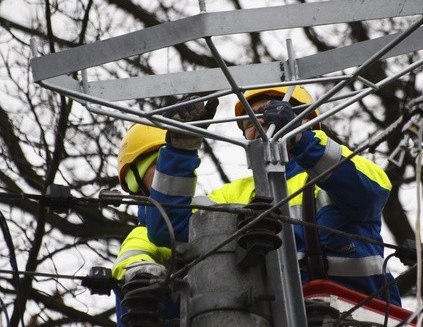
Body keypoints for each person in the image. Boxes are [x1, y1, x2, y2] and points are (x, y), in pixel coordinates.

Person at [144, 85, 401, 306]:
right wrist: (180, 149)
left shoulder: (340, 169)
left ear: (308, 120)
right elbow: (167, 229)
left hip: (361, 315)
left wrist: (301, 140)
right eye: (251, 120)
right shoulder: (234, 194)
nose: (262, 122)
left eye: (275, 110)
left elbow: (370, 195)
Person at [112, 122, 204, 326]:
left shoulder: (210, 209)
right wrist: (142, 274)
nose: (168, 173)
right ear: (136, 179)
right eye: (160, 165)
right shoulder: (140, 237)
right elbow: (132, 261)